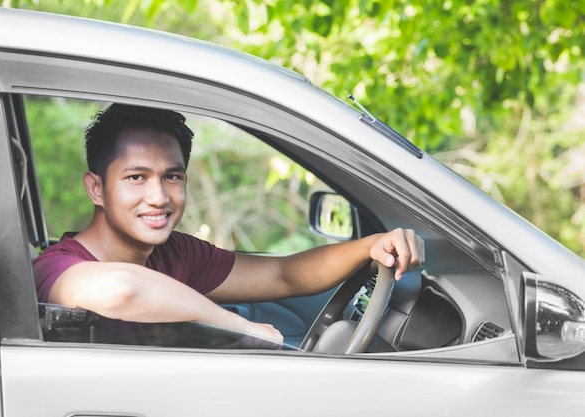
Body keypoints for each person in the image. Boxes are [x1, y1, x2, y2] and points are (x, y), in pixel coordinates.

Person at [33, 103, 425, 345]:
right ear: (96, 188)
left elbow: (282, 275)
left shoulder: (175, 253)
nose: (159, 197)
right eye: (136, 177)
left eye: (172, 176)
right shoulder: (57, 267)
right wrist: (234, 325)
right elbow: (120, 290)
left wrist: (371, 245)